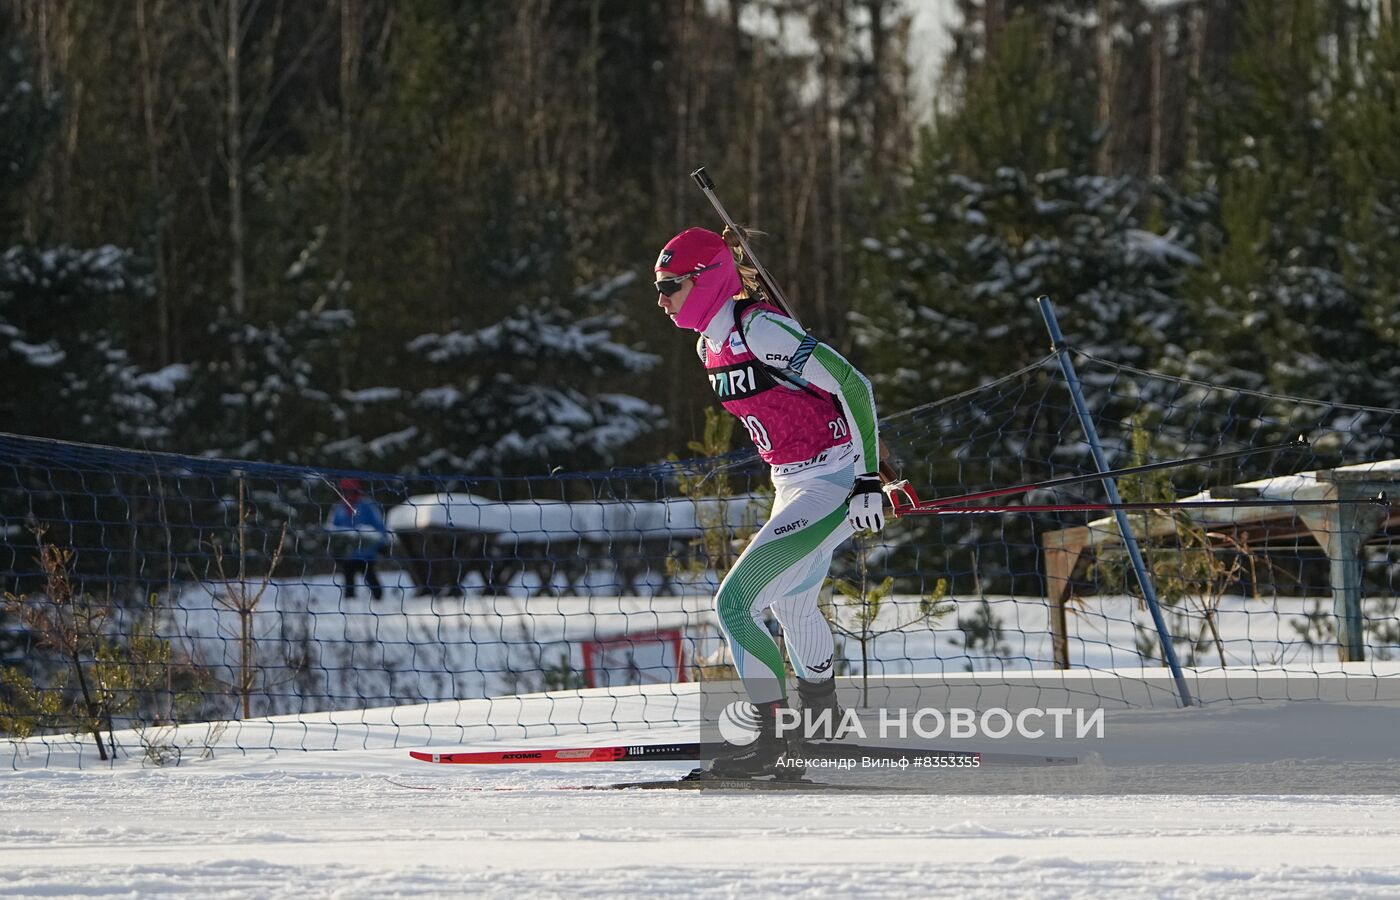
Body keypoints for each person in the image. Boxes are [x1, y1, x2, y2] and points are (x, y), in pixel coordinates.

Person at [654, 226, 886, 778]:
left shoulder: (761, 330)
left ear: (706, 280)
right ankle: (822, 726)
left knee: (734, 605)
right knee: (793, 606)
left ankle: (773, 739)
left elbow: (854, 387)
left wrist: (869, 480)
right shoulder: (710, 342)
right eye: (658, 287)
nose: (661, 300)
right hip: (792, 483)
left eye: (670, 286)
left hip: (831, 485)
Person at [327, 477, 391, 601]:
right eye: (345, 491)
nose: (348, 494)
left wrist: (383, 543)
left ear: (357, 491)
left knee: (370, 575)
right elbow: (333, 529)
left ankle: (379, 599)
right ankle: (349, 601)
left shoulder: (367, 506)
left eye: (351, 491)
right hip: (348, 553)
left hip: (366, 552)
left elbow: (379, 526)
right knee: (348, 577)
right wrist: (334, 547)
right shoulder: (338, 508)